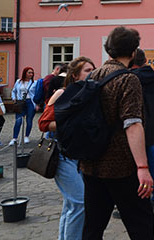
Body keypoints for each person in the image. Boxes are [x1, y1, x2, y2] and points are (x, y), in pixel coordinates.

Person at [80, 26, 154, 239]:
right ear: (133, 52)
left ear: (109, 50)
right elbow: (132, 124)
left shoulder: (93, 75)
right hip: (121, 166)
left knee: (93, 226)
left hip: (91, 163)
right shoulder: (128, 79)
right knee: (141, 224)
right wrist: (142, 166)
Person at [38, 56, 96, 239]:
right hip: (63, 156)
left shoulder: (87, 94)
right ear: (75, 74)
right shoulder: (62, 93)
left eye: (93, 70)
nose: (92, 73)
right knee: (80, 203)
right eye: (88, 70)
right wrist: (71, 123)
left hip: (80, 157)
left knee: (71, 205)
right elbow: (43, 123)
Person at [132, 49, 154, 213]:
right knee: (153, 163)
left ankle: (137, 200)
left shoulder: (131, 79)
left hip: (135, 127)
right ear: (146, 60)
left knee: (135, 166)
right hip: (152, 126)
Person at [10, 66, 38, 144]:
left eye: (32, 73)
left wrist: (37, 104)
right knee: (18, 121)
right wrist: (14, 98)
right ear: (25, 73)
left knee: (29, 120)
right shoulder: (19, 81)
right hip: (20, 102)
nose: (31, 74)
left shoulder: (34, 83)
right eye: (29, 72)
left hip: (30, 102)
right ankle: (14, 138)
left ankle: (26, 136)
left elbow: (37, 93)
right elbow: (14, 91)